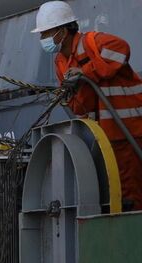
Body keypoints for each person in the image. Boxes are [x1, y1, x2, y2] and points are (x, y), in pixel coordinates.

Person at [35, 0, 142, 210]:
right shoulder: (60, 62)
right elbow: (79, 107)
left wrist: (86, 72)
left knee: (130, 196)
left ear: (63, 30)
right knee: (111, 196)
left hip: (126, 131)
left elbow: (122, 49)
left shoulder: (93, 42)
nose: (43, 39)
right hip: (99, 139)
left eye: (46, 33)